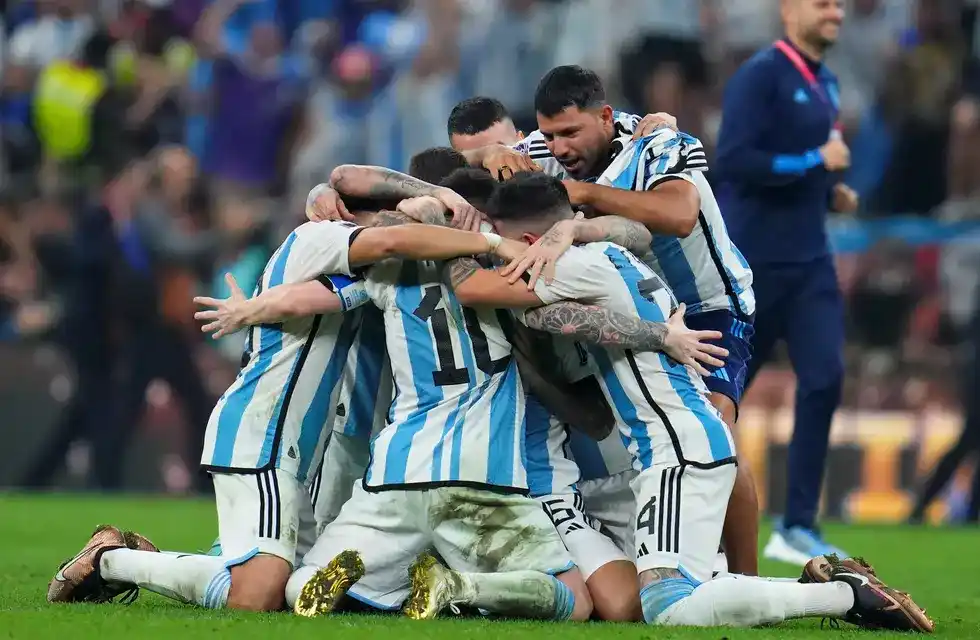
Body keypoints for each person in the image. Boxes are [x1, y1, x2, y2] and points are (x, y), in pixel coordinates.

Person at [451, 171, 932, 632]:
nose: (503, 255)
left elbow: (473, 289)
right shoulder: (608, 252)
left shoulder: (570, 267)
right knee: (692, 586)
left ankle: (848, 595)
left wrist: (460, 235)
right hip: (682, 440)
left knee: (668, 605)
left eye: (508, 243)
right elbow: (633, 235)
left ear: (531, 245)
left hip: (676, 445)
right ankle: (819, 583)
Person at [45, 197, 528, 613]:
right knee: (257, 594)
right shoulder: (317, 238)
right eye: (383, 211)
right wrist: (488, 243)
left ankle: (154, 558)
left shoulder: (350, 268)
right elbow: (383, 247)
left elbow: (333, 293)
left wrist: (257, 307)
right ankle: (113, 560)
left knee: (288, 582)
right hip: (262, 433)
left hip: (290, 445)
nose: (390, 222)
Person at [475, 66, 759, 577]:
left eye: (570, 133)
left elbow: (678, 214)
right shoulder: (542, 154)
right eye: (548, 136)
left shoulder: (660, 142)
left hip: (708, 305)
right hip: (630, 304)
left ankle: (746, 575)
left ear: (605, 117)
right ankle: (671, 561)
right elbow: (453, 175)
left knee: (713, 429)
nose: (557, 148)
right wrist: (484, 155)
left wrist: (581, 197)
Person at [713, 0, 859, 565]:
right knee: (723, 400)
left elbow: (806, 166)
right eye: (824, 3)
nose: (837, 13)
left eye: (841, 5)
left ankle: (797, 524)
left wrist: (830, 190)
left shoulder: (827, 81)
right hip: (753, 264)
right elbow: (735, 161)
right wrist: (812, 160)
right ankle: (694, 514)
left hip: (811, 260)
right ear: (789, 9)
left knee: (825, 379)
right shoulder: (760, 76)